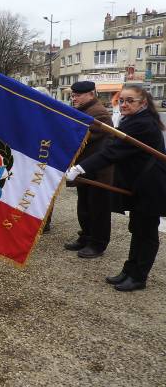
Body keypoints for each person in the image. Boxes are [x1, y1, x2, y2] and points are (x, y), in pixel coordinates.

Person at [66, 84, 166, 291]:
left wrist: (81, 167)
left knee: (146, 232)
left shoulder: (143, 124)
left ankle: (138, 276)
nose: (124, 104)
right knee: (137, 228)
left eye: (130, 101)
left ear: (143, 103)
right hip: (140, 183)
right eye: (122, 100)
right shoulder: (134, 120)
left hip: (152, 186)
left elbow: (112, 151)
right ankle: (129, 270)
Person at [64, 81, 114, 258]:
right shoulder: (86, 111)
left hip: (98, 171)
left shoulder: (99, 113)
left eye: (77, 95)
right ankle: (85, 237)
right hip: (86, 169)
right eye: (73, 95)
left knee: (98, 209)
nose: (74, 98)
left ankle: (98, 244)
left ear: (91, 94)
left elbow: (80, 136)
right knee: (84, 206)